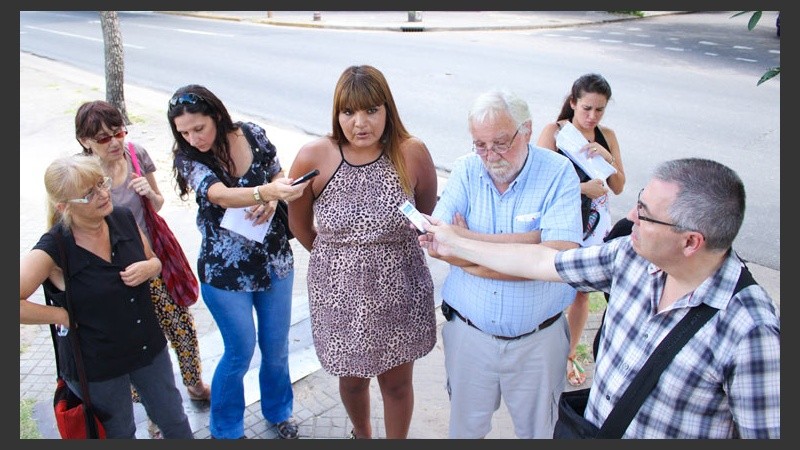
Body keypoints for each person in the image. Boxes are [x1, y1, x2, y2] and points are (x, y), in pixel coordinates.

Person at [419, 158, 780, 439]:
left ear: (690, 242)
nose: (631, 217)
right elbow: (543, 261)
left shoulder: (751, 332)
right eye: (638, 203)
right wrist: (455, 242)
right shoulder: (629, 257)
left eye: (645, 215)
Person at [287, 65, 438, 439]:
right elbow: (299, 225)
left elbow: (425, 213)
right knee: (352, 380)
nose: (360, 123)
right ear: (337, 114)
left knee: (397, 384)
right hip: (339, 298)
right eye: (349, 112)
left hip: (400, 292)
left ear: (387, 109)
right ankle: (362, 433)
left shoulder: (411, 152)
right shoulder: (314, 156)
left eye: (371, 110)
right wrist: (340, 262)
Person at [427, 89, 583, 438]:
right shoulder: (466, 168)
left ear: (526, 130)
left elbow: (557, 258)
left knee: (541, 434)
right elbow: (438, 243)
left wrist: (465, 241)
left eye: (499, 143)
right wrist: (531, 246)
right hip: (469, 336)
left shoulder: (558, 173)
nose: (490, 155)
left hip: (538, 342)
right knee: (465, 432)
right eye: (480, 145)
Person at [168, 84, 309, 439]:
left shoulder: (252, 133)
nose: (193, 138)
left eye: (198, 128)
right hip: (224, 272)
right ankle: (226, 429)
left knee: (276, 347)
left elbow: (277, 173)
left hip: (274, 260)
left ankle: (279, 411)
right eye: (184, 132)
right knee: (239, 351)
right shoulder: (188, 158)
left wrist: (274, 198)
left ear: (216, 115)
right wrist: (265, 192)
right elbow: (219, 195)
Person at [20, 154, 194, 439]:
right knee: (119, 433)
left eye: (102, 183)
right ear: (63, 206)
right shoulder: (55, 247)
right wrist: (60, 315)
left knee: (174, 419)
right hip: (97, 363)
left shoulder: (122, 217)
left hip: (147, 347)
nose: (103, 194)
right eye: (89, 194)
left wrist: (150, 268)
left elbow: (153, 260)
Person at [74, 100, 212, 411]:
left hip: (153, 259)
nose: (115, 142)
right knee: (136, 339)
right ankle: (151, 408)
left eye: (118, 132)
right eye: (104, 138)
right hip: (115, 272)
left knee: (180, 322)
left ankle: (194, 383)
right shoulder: (81, 174)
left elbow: (158, 204)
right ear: (85, 141)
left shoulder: (135, 154)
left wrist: (149, 194)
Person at [536, 73, 626, 387]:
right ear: (573, 103)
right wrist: (582, 188)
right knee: (549, 284)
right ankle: (542, 351)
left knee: (581, 293)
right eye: (587, 108)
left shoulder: (606, 135)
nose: (592, 116)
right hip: (561, 220)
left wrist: (607, 157)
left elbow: (618, 186)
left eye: (600, 110)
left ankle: (570, 352)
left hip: (595, 223)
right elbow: (539, 185)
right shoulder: (555, 132)